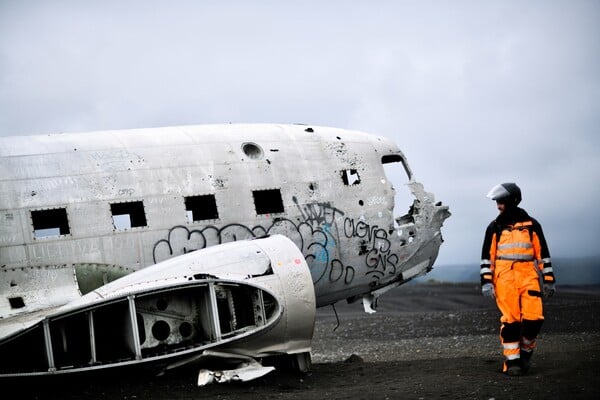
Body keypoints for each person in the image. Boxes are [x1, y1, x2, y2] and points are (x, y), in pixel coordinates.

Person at [480, 182, 556, 376]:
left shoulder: (531, 225)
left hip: (528, 276)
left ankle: (526, 353)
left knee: (534, 318)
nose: (498, 206)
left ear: (512, 201)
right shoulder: (494, 227)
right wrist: (487, 281)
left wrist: (548, 279)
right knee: (511, 320)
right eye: (497, 202)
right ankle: (512, 362)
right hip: (504, 278)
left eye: (501, 202)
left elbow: (543, 254)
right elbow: (487, 257)